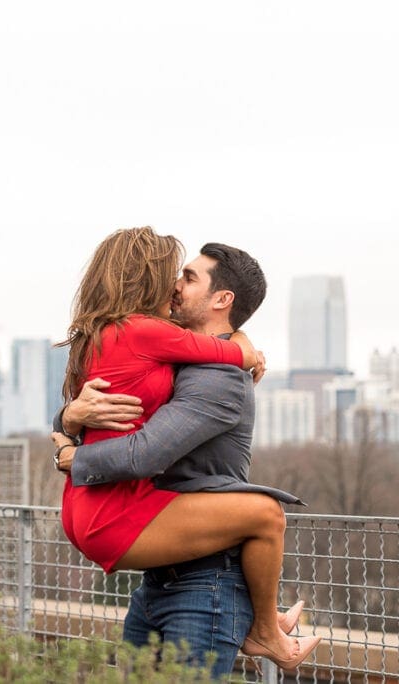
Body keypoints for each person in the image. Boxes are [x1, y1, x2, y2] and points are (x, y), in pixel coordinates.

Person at [53, 229, 320, 673]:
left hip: (203, 584)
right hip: (158, 573)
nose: (176, 284)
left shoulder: (214, 377)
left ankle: (264, 629)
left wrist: (71, 457)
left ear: (221, 299)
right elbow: (108, 409)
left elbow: (144, 453)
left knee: (266, 512)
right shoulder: (163, 351)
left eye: (190, 278)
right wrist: (68, 419)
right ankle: (265, 625)